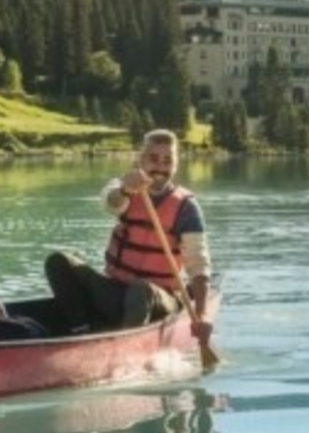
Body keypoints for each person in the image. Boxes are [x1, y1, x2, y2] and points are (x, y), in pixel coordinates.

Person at [45, 129, 214, 337]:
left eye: (167, 161)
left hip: (161, 299)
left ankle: (123, 345)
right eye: (153, 159)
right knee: (58, 261)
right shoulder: (122, 188)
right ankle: (81, 330)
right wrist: (125, 189)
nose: (160, 167)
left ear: (176, 164)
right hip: (116, 292)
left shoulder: (187, 208)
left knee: (140, 290)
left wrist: (202, 314)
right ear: (140, 160)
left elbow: (198, 266)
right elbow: (111, 202)